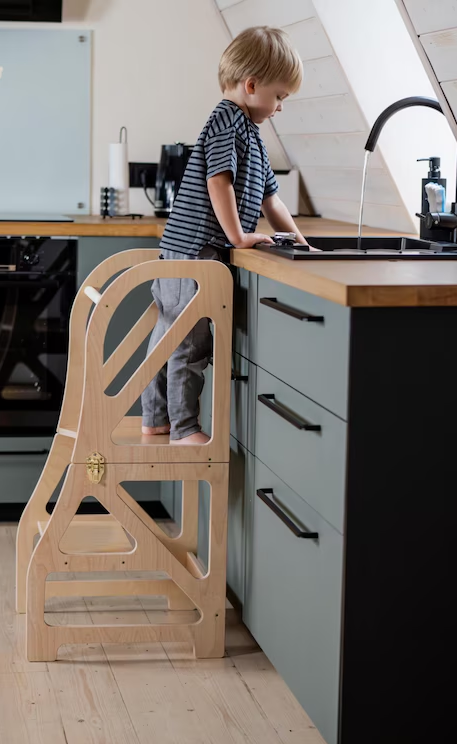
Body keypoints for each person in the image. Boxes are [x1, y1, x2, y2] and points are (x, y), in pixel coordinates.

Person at [141, 25, 312, 444]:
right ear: (251, 85)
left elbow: (272, 200)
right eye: (279, 96)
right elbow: (219, 181)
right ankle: (184, 429)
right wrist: (238, 236)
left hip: (186, 253)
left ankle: (156, 418)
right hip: (195, 254)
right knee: (189, 344)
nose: (280, 107)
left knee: (169, 337)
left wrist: (301, 242)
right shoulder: (226, 121)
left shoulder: (250, 132)